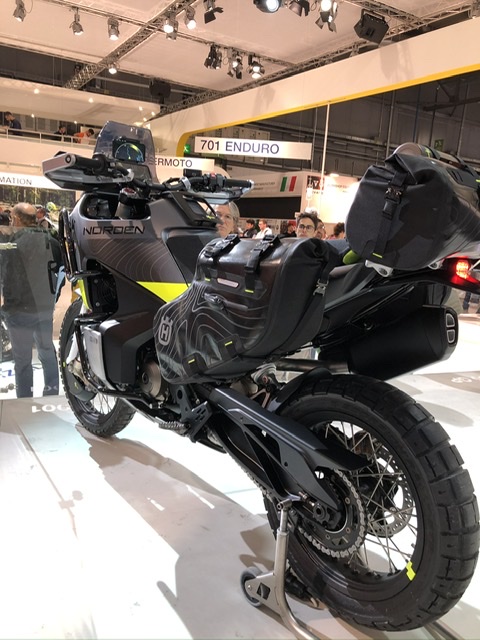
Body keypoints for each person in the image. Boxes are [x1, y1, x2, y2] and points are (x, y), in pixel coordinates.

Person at [0, 202, 63, 397]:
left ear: (16, 219)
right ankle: (51, 394)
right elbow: (60, 272)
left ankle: (25, 400)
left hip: (18, 310)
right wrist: (52, 298)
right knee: (47, 352)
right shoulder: (51, 241)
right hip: (43, 307)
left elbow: (5, 275)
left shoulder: (12, 243)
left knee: (23, 360)